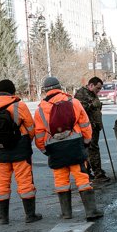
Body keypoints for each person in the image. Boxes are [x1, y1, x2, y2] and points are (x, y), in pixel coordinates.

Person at [34, 76, 103, 221]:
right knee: (82, 178)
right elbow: (85, 124)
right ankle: (91, 211)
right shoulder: (73, 102)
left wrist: (45, 150)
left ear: (45, 90)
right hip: (75, 145)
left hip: (55, 148)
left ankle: (66, 213)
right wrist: (86, 142)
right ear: (60, 87)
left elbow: (39, 134)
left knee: (60, 180)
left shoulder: (40, 109)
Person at [0, 79, 42, 224]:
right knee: (25, 181)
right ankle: (30, 215)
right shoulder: (18, 105)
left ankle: (3, 217)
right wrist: (26, 140)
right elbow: (30, 127)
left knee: (1, 183)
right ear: (13, 91)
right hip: (19, 150)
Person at [74, 76, 110, 182]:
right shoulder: (81, 93)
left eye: (100, 89)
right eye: (97, 88)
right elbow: (78, 110)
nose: (98, 91)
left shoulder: (93, 94)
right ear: (91, 85)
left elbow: (96, 109)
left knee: (92, 149)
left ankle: (89, 171)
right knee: (92, 149)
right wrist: (92, 105)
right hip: (87, 128)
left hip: (95, 126)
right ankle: (96, 172)